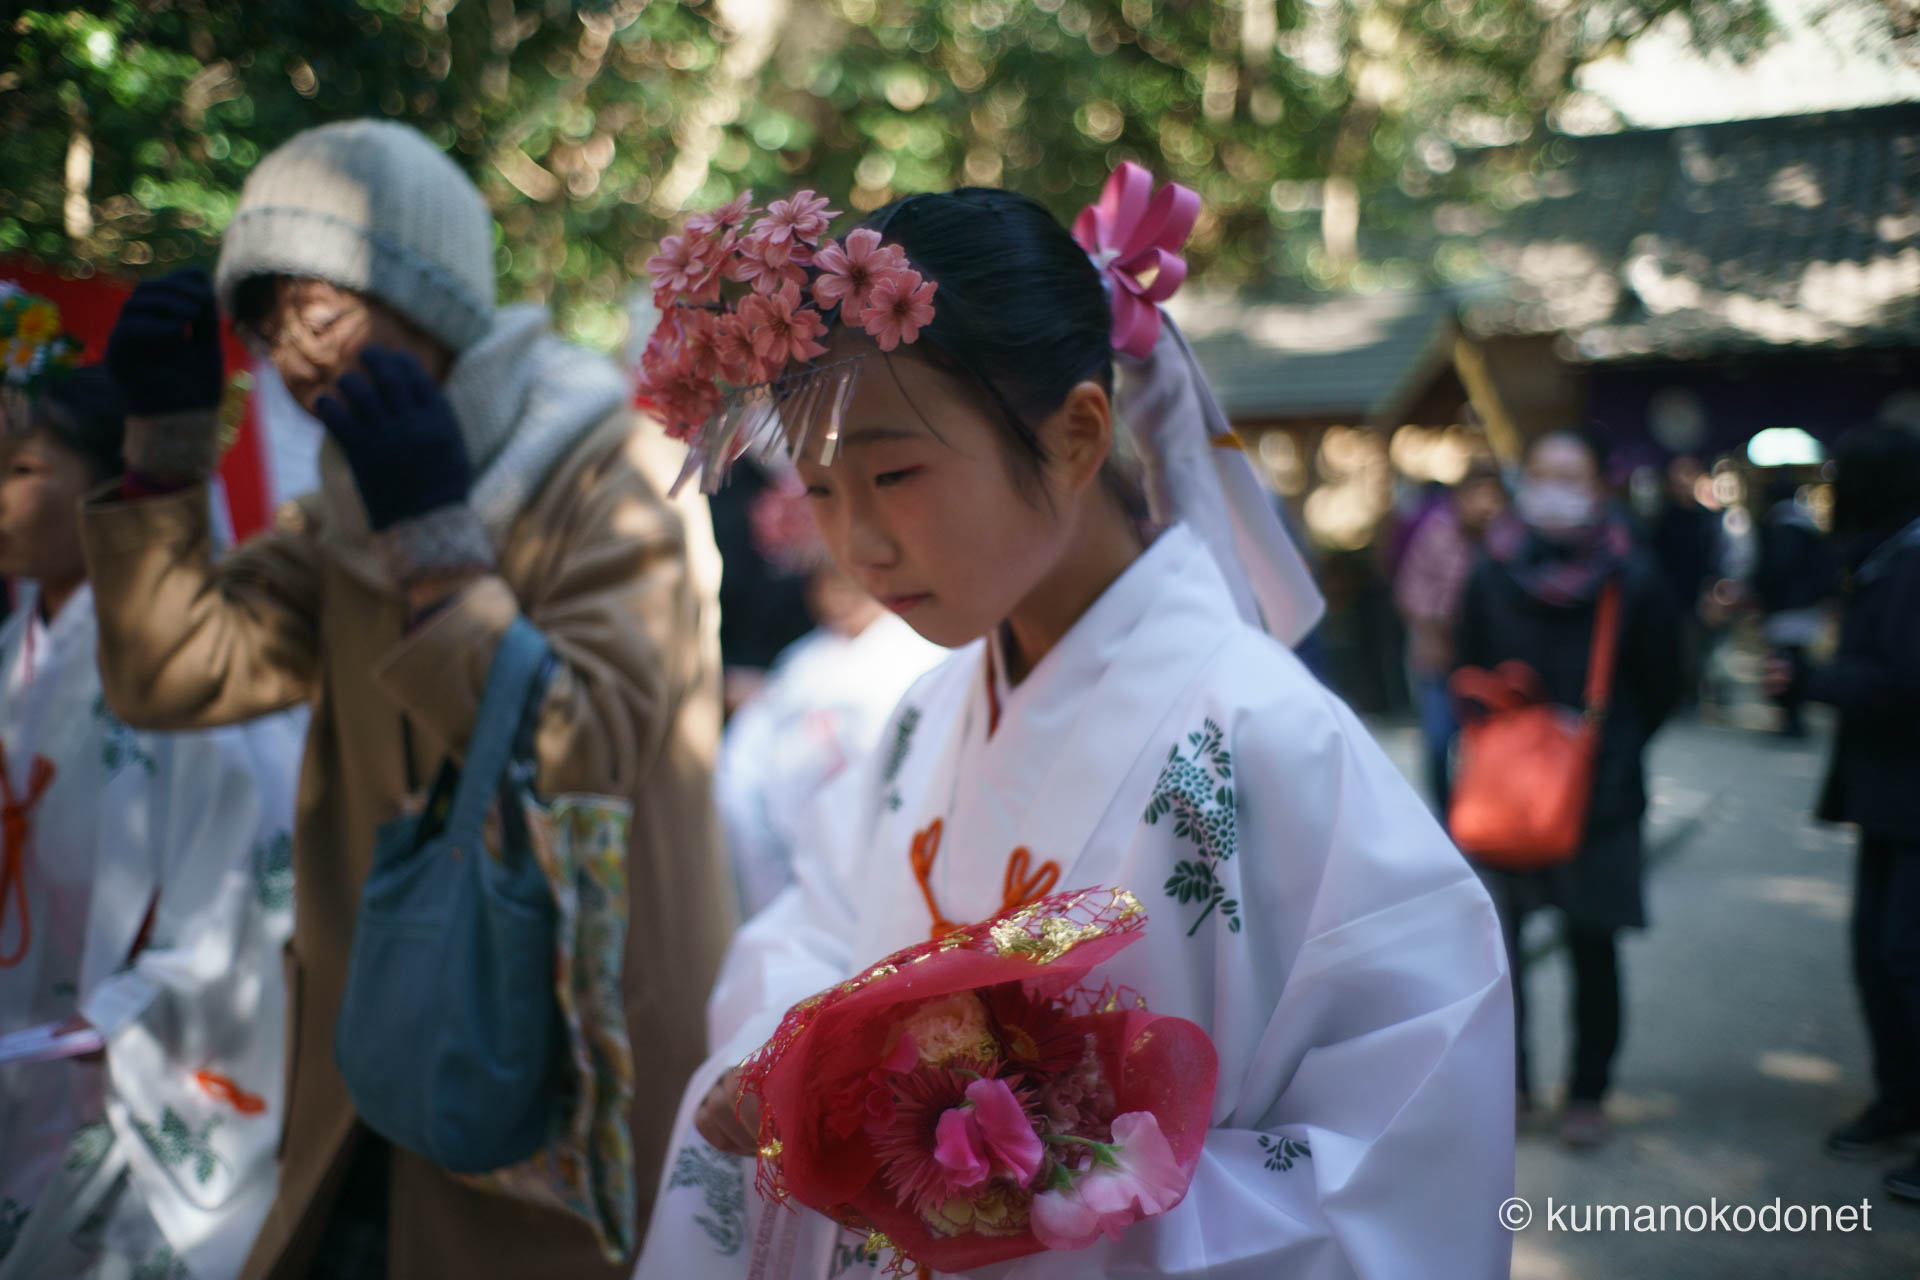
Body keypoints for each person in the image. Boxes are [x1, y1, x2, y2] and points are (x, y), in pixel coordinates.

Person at [633, 181, 1514, 1278]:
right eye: (820, 487)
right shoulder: (923, 718)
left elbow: (1407, 1147)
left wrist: (1061, 1188)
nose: (858, 539)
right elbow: (811, 927)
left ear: (1078, 434)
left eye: (896, 473)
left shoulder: (1265, 741)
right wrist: (782, 1056)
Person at [79, 120, 734, 1278]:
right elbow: (175, 669)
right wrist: (164, 457)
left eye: (321, 311)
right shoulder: (350, 496)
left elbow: (595, 746)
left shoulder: (607, 463)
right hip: (381, 1046)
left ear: (427, 302)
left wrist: (439, 548)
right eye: (269, 324)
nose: (296, 357)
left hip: (563, 1047)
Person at [0, 356, 303, 1280]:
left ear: (109, 489)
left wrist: (122, 1017)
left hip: (112, 1057)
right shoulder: (16, 647)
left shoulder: (181, 671)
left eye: (20, 468)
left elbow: (246, 882)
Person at [1454, 430, 1682, 1149]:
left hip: (1601, 796)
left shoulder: (1632, 575)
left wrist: (1601, 749)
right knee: (1499, 954)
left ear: (1596, 489)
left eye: (1570, 476)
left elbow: (1664, 680)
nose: (1554, 488)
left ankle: (1587, 1091)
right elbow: (1463, 665)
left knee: (1593, 946)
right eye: (1542, 474)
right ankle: (1512, 1088)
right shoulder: (1489, 570)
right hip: (1504, 793)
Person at [1784, 425, 1920, 1204]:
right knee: (1877, 955)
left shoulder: (1912, 560)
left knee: (1907, 958)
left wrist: (1817, 682)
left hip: (1911, 800)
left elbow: (1903, 678)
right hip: (1889, 801)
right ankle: (1900, 1097)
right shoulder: (1889, 552)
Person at [716, 470, 945, 918]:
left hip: (885, 843)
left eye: (850, 583)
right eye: (828, 584)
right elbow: (743, 770)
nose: (839, 599)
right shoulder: (802, 661)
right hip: (790, 851)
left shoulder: (922, 651)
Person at [1393, 455, 1506, 810]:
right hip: (1438, 659)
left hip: (1493, 663)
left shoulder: (1509, 540)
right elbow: (1409, 589)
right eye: (1477, 494)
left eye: (1492, 495)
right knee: (1439, 741)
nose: (1484, 504)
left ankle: (1488, 818)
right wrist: (1444, 614)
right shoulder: (1437, 533)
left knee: (1492, 745)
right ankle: (1446, 819)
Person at [1752, 474, 1838, 737]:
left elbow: (1777, 569)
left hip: (1786, 608)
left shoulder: (1781, 529)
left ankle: (1791, 718)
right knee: (1794, 661)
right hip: (1804, 608)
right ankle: (1793, 717)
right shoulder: (1807, 527)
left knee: (1786, 664)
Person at [1649, 455, 1725, 707]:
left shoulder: (1704, 519)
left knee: (1696, 649)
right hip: (1668, 598)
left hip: (1697, 597)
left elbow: (1713, 558)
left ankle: (1690, 690)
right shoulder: (1663, 519)